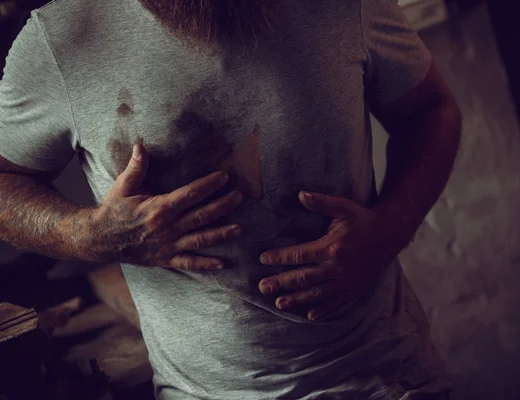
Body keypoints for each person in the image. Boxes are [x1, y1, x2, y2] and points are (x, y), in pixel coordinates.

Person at [0, 0, 461, 398]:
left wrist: (389, 229)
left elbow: (430, 110)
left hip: (387, 377)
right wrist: (88, 235)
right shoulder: (59, 41)